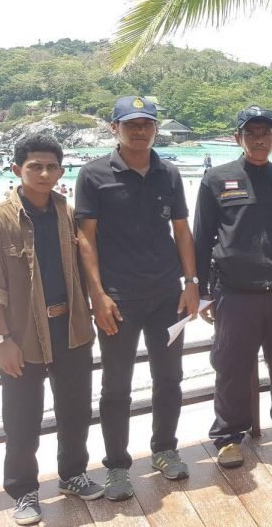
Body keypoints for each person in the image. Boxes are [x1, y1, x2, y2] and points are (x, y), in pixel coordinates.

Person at [0, 135, 102, 526]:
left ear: (62, 172)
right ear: (16, 170)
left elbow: (86, 264)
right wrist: (2, 339)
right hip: (22, 336)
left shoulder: (67, 213)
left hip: (72, 328)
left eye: (51, 167)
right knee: (22, 419)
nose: (44, 174)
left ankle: (73, 475)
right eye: (35, 166)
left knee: (76, 410)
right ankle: (24, 491)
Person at [75, 96, 200, 501]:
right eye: (131, 124)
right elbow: (86, 239)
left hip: (167, 296)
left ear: (155, 128)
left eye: (147, 123)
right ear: (114, 129)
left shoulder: (168, 173)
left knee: (169, 378)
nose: (140, 130)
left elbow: (182, 230)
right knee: (116, 387)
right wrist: (98, 295)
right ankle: (116, 467)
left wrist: (191, 281)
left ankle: (164, 449)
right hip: (119, 300)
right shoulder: (93, 175)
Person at [193, 104, 272, 467]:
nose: (259, 140)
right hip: (235, 293)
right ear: (238, 138)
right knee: (231, 366)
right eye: (251, 134)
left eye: (265, 134)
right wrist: (202, 292)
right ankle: (229, 435)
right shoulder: (215, 179)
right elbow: (202, 239)